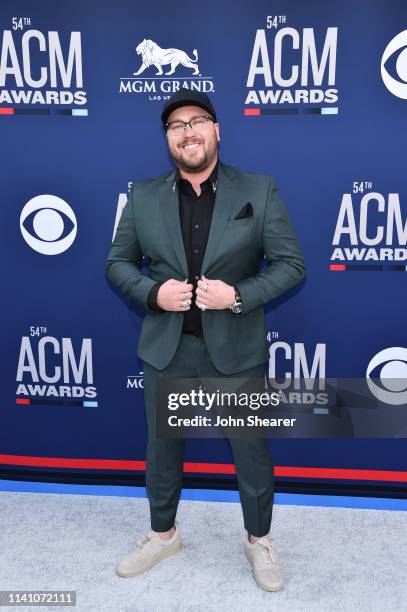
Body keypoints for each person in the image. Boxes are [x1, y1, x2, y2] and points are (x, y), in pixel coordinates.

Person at [105, 88, 305, 592]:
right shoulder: (142, 194)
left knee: (251, 451)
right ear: (168, 140)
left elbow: (291, 266)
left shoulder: (257, 190)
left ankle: (259, 540)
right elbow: (117, 264)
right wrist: (153, 294)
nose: (187, 131)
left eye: (197, 121)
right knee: (162, 448)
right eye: (176, 125)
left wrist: (236, 295)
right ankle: (163, 534)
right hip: (167, 346)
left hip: (234, 348)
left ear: (217, 130)